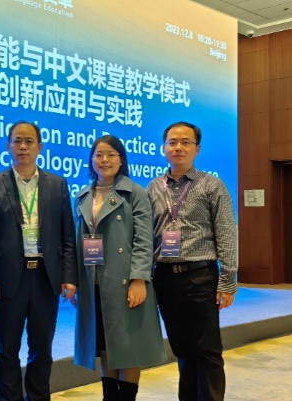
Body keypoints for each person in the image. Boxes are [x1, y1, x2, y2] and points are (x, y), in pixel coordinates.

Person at [0, 121, 78, 401]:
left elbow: (67, 235)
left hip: (46, 277)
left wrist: (69, 276)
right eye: (17, 141)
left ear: (40, 147)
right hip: (8, 279)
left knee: (42, 349)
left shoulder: (57, 184)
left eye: (29, 141)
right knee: (6, 351)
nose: (22, 146)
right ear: (8, 146)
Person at [147, 122, 238, 401]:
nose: (178, 147)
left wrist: (228, 281)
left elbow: (226, 234)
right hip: (164, 277)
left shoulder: (211, 185)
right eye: (172, 142)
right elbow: (148, 235)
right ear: (163, 148)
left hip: (200, 276)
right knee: (182, 350)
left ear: (197, 149)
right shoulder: (153, 187)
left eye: (185, 142)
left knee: (207, 351)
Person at [72, 135, 167, 400]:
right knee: (106, 345)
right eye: (99, 155)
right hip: (93, 280)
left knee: (128, 346)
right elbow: (77, 241)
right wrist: (76, 281)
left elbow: (144, 239)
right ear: (92, 160)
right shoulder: (82, 195)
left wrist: (139, 279)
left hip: (124, 281)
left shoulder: (134, 192)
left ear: (121, 159)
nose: (104, 160)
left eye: (111, 154)